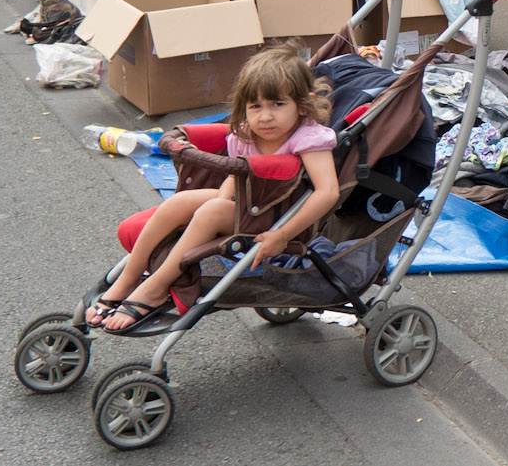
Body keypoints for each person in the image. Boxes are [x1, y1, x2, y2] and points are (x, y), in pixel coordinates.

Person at [88, 46, 340, 333]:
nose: (265, 117)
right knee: (179, 202)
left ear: (302, 105)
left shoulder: (309, 137)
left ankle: (156, 286)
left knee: (211, 210)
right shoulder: (248, 132)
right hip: (247, 206)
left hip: (281, 216)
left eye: (277, 105)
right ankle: (128, 278)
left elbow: (327, 192)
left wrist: (281, 236)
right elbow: (235, 176)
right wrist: (219, 202)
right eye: (255, 106)